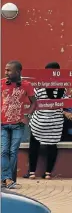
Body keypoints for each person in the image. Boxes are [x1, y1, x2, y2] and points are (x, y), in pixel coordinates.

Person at [28, 62, 66, 180]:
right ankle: (48, 173)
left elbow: (33, 101)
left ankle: (32, 172)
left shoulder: (39, 87)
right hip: (56, 122)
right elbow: (64, 103)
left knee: (34, 144)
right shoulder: (62, 88)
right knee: (52, 145)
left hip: (40, 121)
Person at [1, 61, 37, 189]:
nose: (6, 73)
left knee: (13, 151)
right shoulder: (2, 83)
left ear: (18, 72)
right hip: (3, 123)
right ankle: (7, 179)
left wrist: (27, 115)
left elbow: (34, 102)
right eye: (5, 70)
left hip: (18, 124)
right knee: (3, 151)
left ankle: (6, 179)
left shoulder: (26, 85)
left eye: (9, 70)